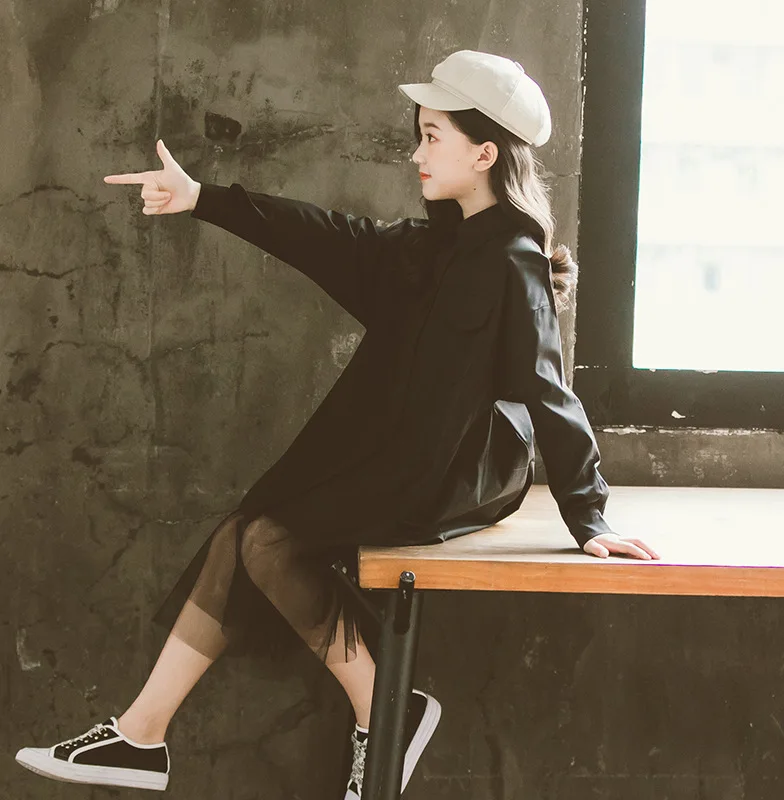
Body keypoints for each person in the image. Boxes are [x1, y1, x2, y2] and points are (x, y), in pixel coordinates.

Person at [15, 49, 660, 798]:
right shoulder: (431, 246)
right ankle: (142, 735)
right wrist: (202, 199)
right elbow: (326, 234)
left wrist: (589, 516)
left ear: (484, 154)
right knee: (246, 533)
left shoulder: (513, 261)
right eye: (418, 134)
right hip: (399, 449)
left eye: (432, 136)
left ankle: (383, 711)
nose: (416, 153)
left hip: (457, 467)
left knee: (265, 540)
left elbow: (550, 392)